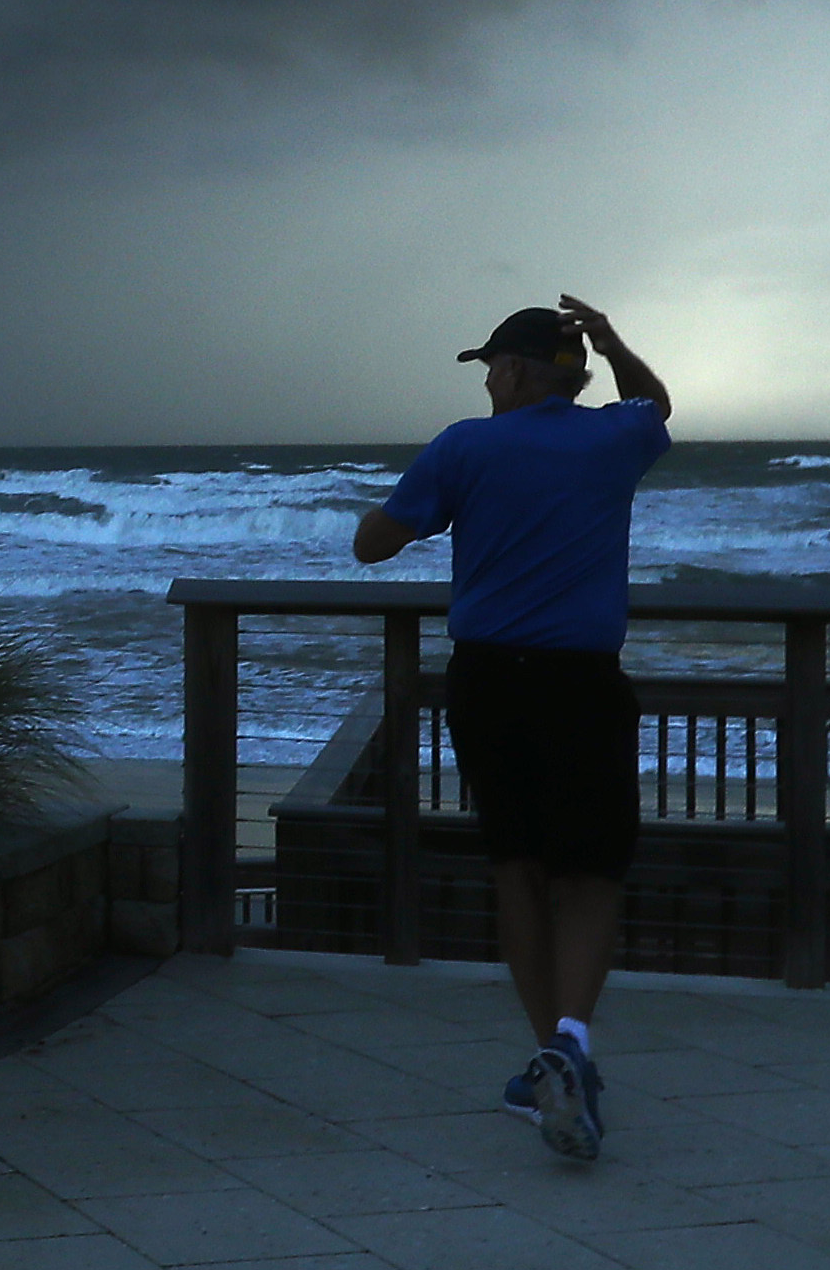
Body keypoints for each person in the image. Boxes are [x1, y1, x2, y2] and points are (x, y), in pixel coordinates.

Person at [351, 294, 671, 1164]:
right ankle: (567, 1045)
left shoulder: (465, 444)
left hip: (489, 680)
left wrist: (441, 506)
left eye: (492, 363)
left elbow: (370, 544)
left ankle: (554, 1057)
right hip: (582, 682)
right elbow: (656, 405)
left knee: (518, 868)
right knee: (592, 871)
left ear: (521, 367)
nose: (487, 379)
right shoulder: (616, 438)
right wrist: (613, 345)